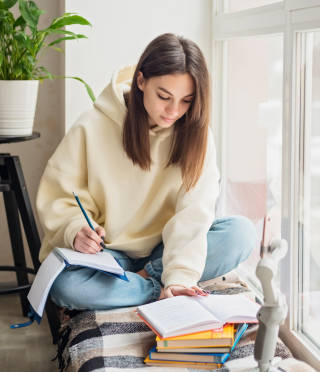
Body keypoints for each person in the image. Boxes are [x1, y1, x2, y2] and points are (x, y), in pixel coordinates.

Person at [36, 33, 256, 310]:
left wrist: (179, 276)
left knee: (241, 234)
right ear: (141, 81)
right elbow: (59, 195)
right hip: (108, 256)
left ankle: (144, 282)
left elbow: (193, 215)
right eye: (164, 96)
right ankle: (154, 288)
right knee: (65, 286)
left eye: (186, 100)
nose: (174, 110)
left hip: (164, 250)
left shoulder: (197, 137)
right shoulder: (92, 126)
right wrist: (75, 229)